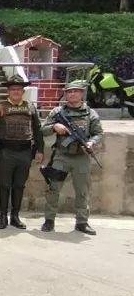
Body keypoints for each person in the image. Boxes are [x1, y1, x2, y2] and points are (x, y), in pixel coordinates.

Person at [41, 81, 103, 235]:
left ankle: (82, 222)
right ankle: (49, 220)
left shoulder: (90, 113)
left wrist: (91, 142)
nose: (72, 94)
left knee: (82, 191)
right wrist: (54, 127)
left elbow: (98, 133)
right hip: (61, 156)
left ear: (82, 93)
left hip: (81, 157)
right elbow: (43, 129)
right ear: (65, 94)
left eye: (76, 91)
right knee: (54, 189)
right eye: (69, 92)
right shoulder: (57, 112)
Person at [0, 74, 44, 230]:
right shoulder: (0, 107)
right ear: (8, 91)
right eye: (13, 89)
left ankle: (15, 216)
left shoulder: (30, 108)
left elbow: (37, 130)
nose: (15, 92)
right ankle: (2, 217)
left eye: (18, 89)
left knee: (19, 185)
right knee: (4, 185)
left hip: (25, 153)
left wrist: (40, 149)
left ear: (23, 91)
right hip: (5, 153)